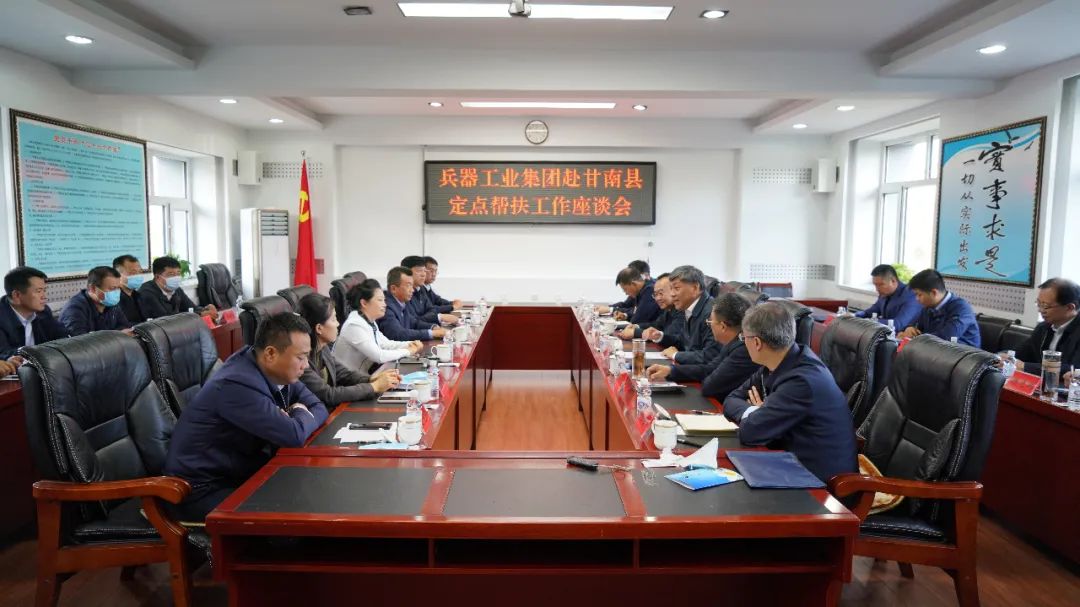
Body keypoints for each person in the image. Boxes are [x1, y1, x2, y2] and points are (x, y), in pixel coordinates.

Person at [163, 313, 329, 521]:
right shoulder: (238, 385)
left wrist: (295, 417)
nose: (306, 365)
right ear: (271, 353)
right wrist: (299, 412)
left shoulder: (274, 370)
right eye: (301, 357)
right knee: (294, 514)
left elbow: (319, 407)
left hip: (240, 472)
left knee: (310, 491)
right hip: (201, 490)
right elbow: (293, 435)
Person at [723, 302, 857, 485]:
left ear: (756, 343)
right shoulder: (778, 362)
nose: (743, 342)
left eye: (743, 338)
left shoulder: (802, 381)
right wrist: (756, 412)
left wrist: (760, 415)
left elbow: (750, 432)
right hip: (787, 463)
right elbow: (731, 399)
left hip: (819, 484)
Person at [296, 293, 401, 408]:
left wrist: (373, 379)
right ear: (319, 328)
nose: (338, 324)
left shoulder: (323, 348)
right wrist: (374, 386)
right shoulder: (301, 361)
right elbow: (328, 394)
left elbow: (344, 374)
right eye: (334, 319)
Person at [647, 293, 759, 400]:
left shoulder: (743, 350)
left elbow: (709, 386)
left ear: (723, 326)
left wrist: (705, 377)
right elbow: (709, 368)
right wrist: (671, 371)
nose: (709, 325)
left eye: (710, 321)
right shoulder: (733, 343)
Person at [338, 278, 425, 373]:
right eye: (380, 300)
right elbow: (379, 356)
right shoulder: (354, 325)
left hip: (362, 376)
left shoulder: (368, 320)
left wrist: (410, 344)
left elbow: (385, 344)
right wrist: (409, 351)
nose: (385, 305)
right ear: (364, 303)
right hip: (348, 380)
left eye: (384, 300)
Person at [642, 265, 722, 365]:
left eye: (676, 288)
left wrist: (676, 355)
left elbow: (710, 356)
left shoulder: (712, 313)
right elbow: (682, 342)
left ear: (695, 288)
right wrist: (660, 336)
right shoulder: (689, 307)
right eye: (671, 289)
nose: (672, 294)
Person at [1012, 278, 1080, 375]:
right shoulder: (1043, 327)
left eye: (1045, 306)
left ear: (1069, 307)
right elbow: (1023, 351)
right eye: (1038, 304)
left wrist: (1025, 367)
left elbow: (1074, 369)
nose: (1040, 310)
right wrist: (1007, 357)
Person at [0, 266, 69, 361]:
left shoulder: (43, 312)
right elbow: (4, 355)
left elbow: (64, 338)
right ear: (17, 295)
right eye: (38, 291)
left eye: (44, 290)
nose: (44, 296)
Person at [897, 269, 980, 347]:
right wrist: (909, 328)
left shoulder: (961, 308)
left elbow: (946, 337)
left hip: (964, 355)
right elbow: (917, 324)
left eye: (919, 295)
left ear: (934, 293)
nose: (917, 299)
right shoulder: (928, 307)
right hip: (935, 352)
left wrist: (914, 338)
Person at [378, 267, 447, 342]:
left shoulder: (402, 302)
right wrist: (431, 333)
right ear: (393, 289)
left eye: (412, 285)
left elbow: (414, 322)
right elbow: (398, 334)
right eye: (408, 285)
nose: (412, 290)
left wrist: (433, 327)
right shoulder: (386, 307)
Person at [138, 256, 218, 321]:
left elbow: (191, 308)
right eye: (171, 274)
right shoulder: (146, 292)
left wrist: (205, 310)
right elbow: (165, 319)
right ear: (157, 277)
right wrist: (199, 314)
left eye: (178, 273)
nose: (176, 277)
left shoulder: (176, 289)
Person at [59, 266, 133, 336]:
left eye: (118, 288)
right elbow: (79, 340)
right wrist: (117, 335)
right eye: (112, 288)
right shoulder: (74, 309)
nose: (117, 292)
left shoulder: (112, 304)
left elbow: (125, 327)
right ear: (93, 289)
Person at [620, 273, 684, 345]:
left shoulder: (682, 310)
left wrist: (636, 332)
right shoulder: (668, 309)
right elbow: (657, 325)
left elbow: (670, 336)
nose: (657, 298)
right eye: (655, 294)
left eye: (661, 293)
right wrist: (636, 326)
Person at [854, 264, 920, 329]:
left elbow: (898, 324)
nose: (877, 289)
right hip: (884, 332)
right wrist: (855, 315)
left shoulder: (911, 296)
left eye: (881, 285)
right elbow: (870, 311)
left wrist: (869, 321)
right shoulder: (884, 293)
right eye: (875, 285)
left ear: (893, 281)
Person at [402, 256, 457, 326]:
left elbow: (432, 309)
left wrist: (434, 323)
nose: (423, 275)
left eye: (424, 271)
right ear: (406, 273)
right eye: (419, 271)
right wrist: (439, 318)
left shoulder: (420, 289)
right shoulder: (403, 293)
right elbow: (413, 321)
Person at [113, 254, 146, 324]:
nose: (138, 276)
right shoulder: (113, 299)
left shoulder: (138, 295)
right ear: (117, 274)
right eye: (133, 273)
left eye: (140, 272)